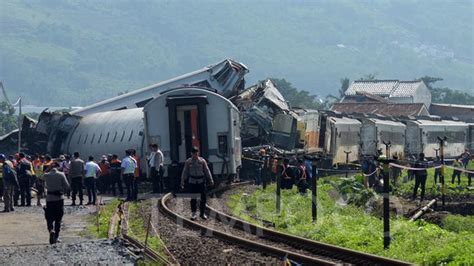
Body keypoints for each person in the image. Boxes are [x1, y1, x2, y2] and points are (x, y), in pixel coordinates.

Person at [180, 147, 214, 220]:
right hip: (192, 181)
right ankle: (193, 213)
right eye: (193, 153)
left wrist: (210, 180)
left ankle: (202, 213)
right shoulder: (188, 162)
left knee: (203, 198)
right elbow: (185, 171)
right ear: (191, 153)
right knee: (193, 198)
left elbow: (207, 170)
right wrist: (182, 181)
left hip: (201, 181)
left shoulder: (202, 161)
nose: (195, 155)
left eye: (196, 153)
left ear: (198, 153)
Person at [41, 162, 69, 244]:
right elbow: (67, 186)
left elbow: (39, 177)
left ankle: (51, 230)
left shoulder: (46, 175)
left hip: (49, 199)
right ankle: (56, 237)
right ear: (58, 167)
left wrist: (47, 169)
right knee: (58, 218)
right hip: (59, 198)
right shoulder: (61, 174)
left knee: (49, 217)